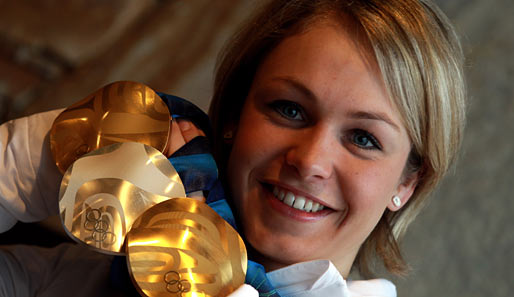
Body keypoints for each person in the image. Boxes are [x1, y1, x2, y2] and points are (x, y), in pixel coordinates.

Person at [0, 0, 466, 296]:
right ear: (231, 118)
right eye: (289, 110)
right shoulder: (78, 275)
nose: (309, 160)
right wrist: (29, 162)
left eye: (363, 139)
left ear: (407, 181)